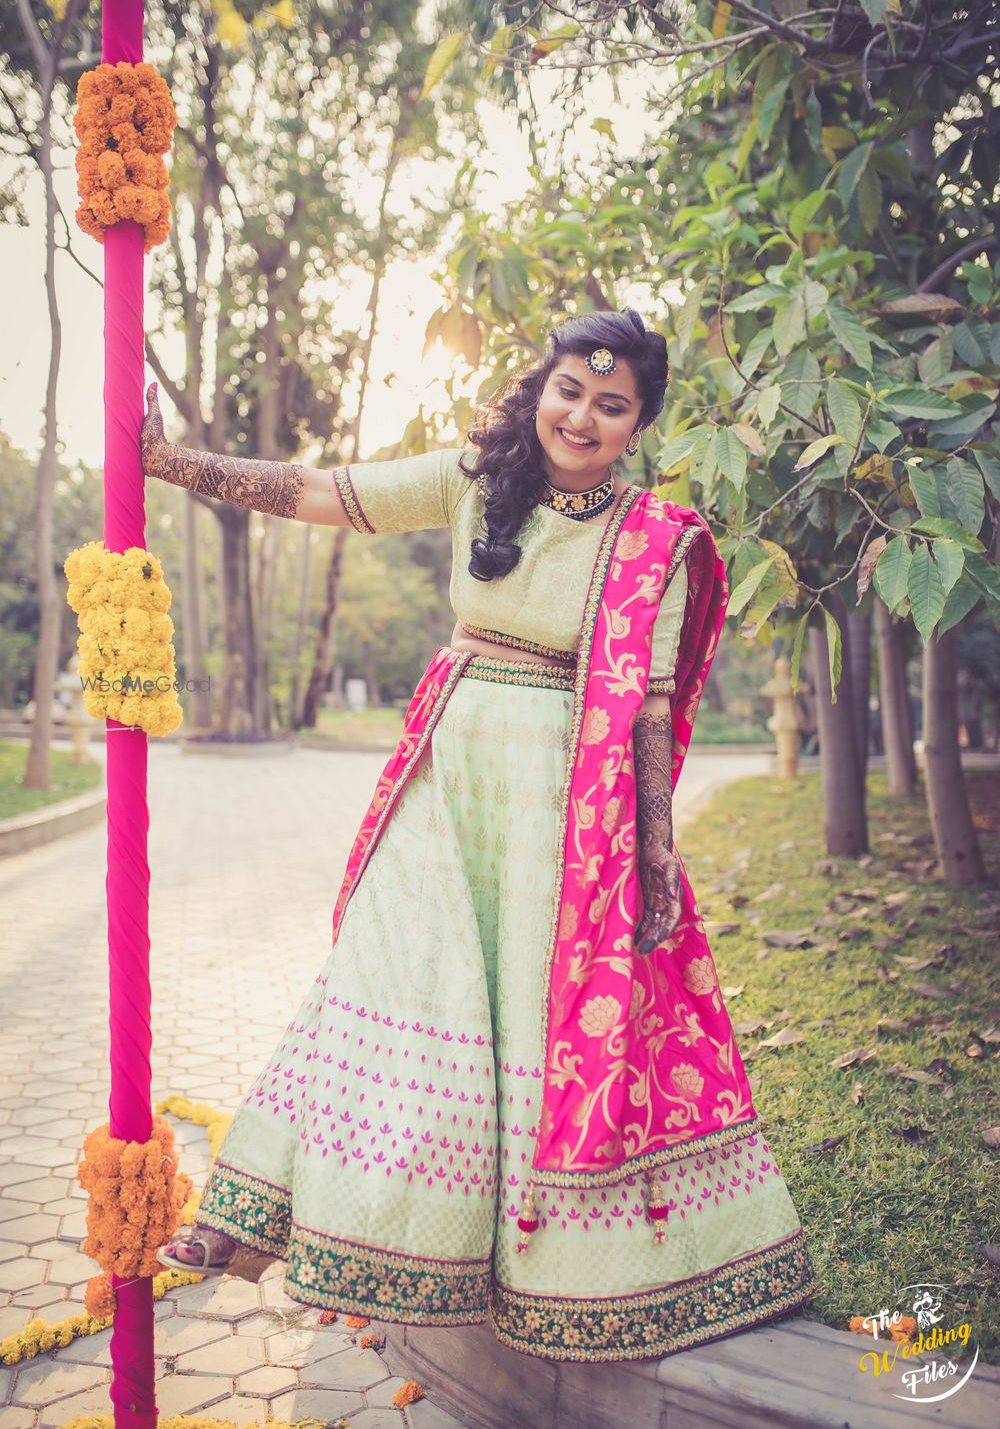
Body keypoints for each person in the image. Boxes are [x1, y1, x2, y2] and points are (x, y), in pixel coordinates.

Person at [144, 308, 818, 1362]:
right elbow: (324, 491)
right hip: (446, 771)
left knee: (521, 1016)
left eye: (611, 405)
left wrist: (652, 853)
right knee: (384, 963)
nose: (581, 416)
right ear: (538, 386)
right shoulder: (472, 479)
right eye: (568, 391)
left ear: (637, 425)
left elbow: (644, 709)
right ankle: (269, 1210)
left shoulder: (655, 542)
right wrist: (175, 463)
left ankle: (531, 1264)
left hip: (563, 801)